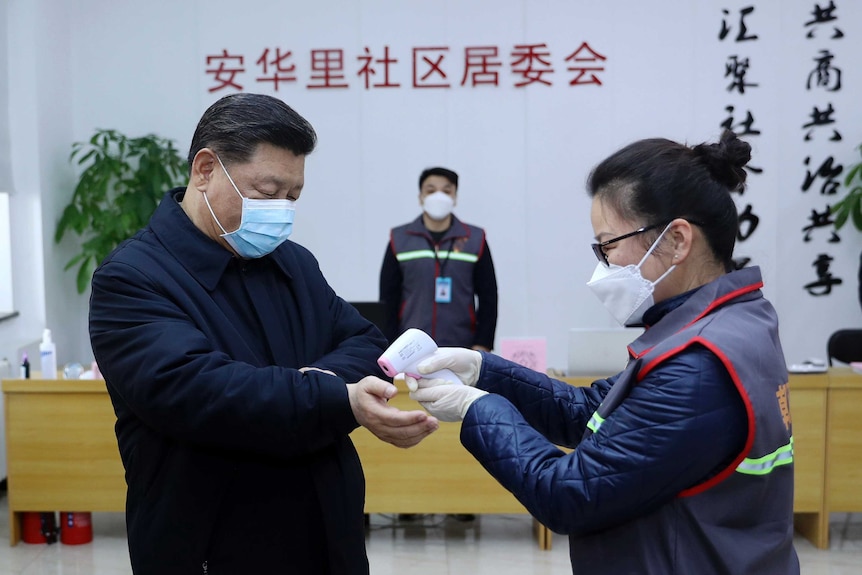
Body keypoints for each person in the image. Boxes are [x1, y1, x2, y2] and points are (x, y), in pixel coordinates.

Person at [406, 130, 800, 573]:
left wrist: (479, 409)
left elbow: (569, 494)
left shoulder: (697, 365)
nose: (604, 264)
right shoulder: (729, 321)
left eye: (609, 244)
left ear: (677, 240)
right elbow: (597, 411)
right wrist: (484, 370)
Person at [88, 93, 439, 575]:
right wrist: (331, 396)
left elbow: (363, 341)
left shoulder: (293, 262)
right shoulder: (131, 278)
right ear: (205, 170)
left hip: (326, 537)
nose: (281, 211)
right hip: (212, 545)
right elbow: (200, 391)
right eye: (267, 191)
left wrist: (312, 386)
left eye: (293, 197)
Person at [379, 166, 498, 352]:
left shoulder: (475, 239)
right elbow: (388, 299)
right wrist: (390, 344)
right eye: (431, 190)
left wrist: (483, 343)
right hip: (410, 346)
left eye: (446, 190)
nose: (439, 196)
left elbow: (489, 296)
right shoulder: (399, 239)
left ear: (455, 198)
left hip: (462, 347)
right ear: (421, 197)